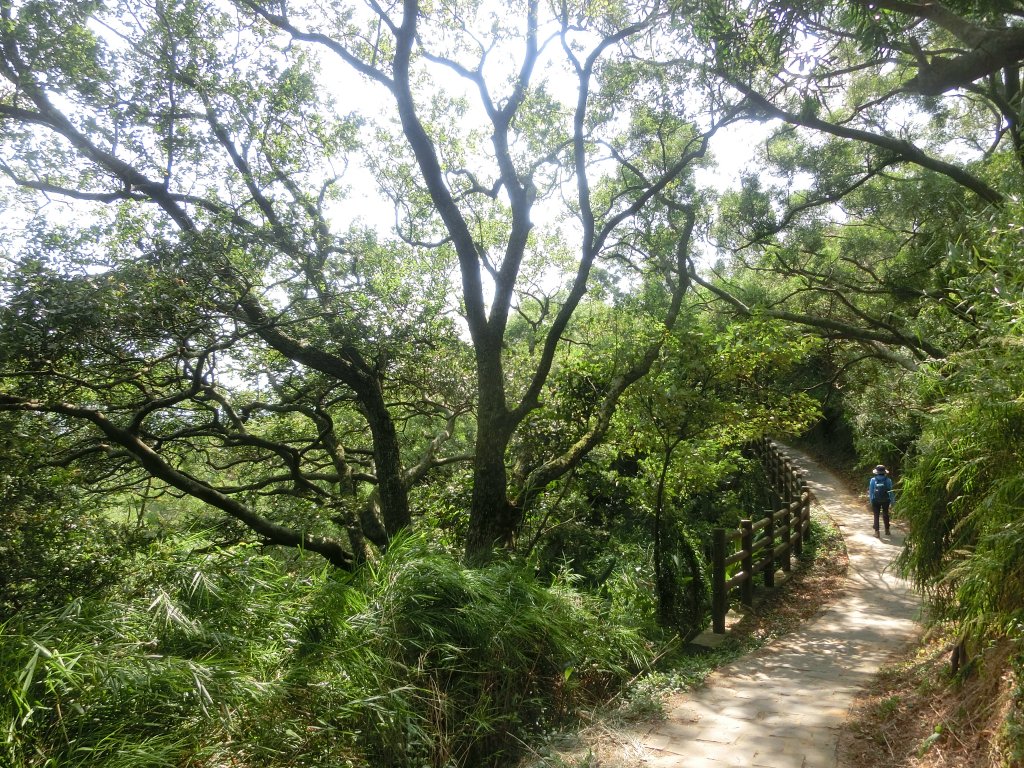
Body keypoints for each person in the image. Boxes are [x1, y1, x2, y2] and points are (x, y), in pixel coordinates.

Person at [868, 464, 893, 536]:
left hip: (875, 500)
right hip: (886, 500)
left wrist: (871, 500)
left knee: (876, 515)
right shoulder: (888, 480)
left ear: (876, 472)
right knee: (886, 514)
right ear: (884, 472)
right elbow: (891, 492)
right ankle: (887, 530)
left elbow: (871, 492)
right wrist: (892, 501)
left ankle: (877, 532)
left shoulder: (873, 480)